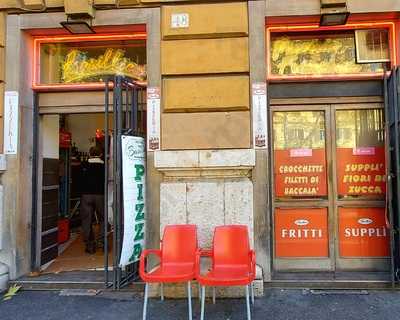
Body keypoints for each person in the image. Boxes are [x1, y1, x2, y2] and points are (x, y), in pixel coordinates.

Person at [80, 146, 105, 254]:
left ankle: (90, 246)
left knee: (87, 220)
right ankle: (102, 242)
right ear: (100, 154)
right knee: (103, 219)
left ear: (90, 154)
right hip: (100, 195)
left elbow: (78, 180)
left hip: (86, 195)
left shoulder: (84, 165)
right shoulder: (104, 166)